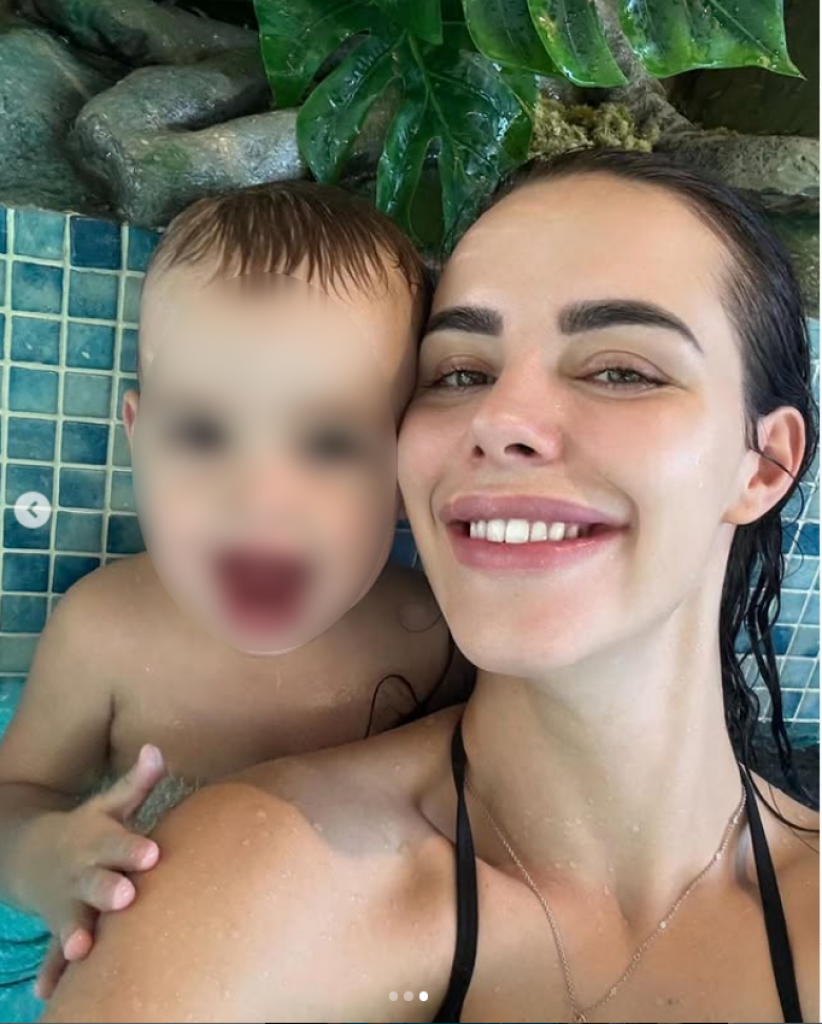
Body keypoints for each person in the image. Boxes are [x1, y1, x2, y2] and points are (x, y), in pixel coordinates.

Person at [43, 149, 819, 1024]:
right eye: (460, 373)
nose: (498, 420)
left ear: (764, 463)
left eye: (621, 370)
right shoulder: (245, 890)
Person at [0, 181, 469, 1003]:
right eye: (204, 432)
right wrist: (48, 859)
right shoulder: (106, 632)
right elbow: (15, 797)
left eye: (328, 442)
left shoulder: (425, 632)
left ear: (403, 471)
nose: (259, 497)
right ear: (138, 437)